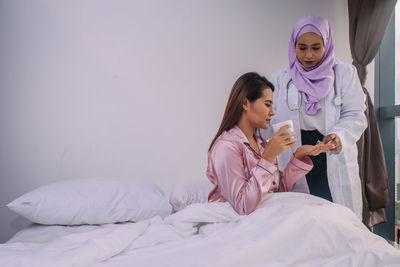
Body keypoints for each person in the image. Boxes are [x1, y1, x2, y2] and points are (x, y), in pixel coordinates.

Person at [260, 16, 367, 219]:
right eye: (302, 48)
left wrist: (338, 137)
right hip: (297, 153)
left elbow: (355, 115)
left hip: (331, 149)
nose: (309, 55)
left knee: (339, 218)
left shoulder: (344, 73)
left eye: (316, 48)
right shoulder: (281, 78)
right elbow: (270, 117)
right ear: (294, 46)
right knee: (303, 219)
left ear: (327, 44)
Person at [207, 72, 332, 215]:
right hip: (234, 222)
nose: (272, 113)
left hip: (264, 215)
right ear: (245, 103)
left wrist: (298, 157)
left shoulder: (260, 144)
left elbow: (277, 193)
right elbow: (243, 205)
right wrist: (267, 158)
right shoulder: (226, 147)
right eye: (267, 105)